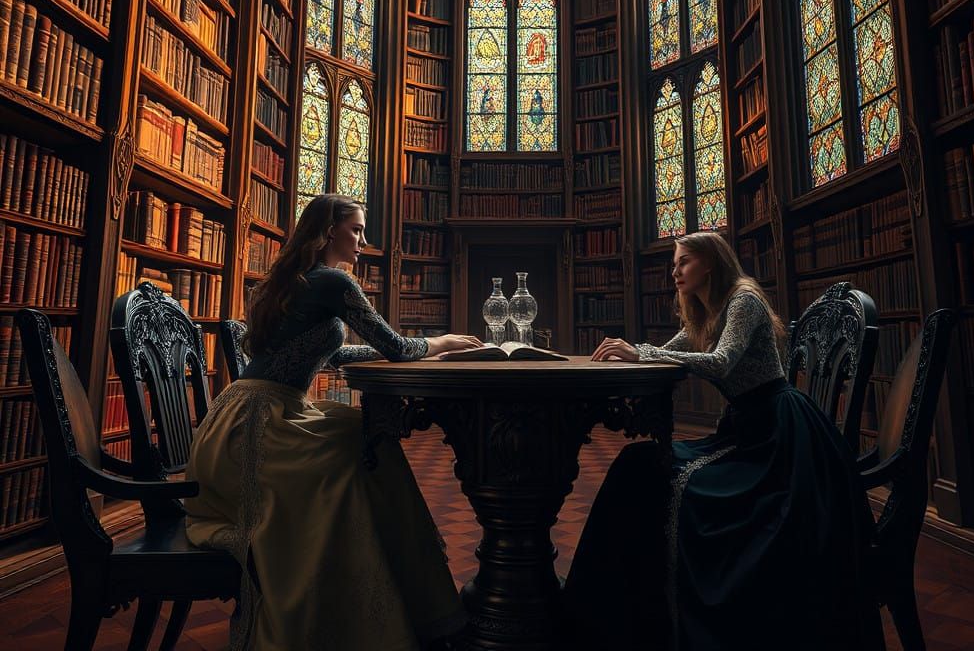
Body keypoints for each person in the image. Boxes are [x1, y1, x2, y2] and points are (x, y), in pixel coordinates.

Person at [185, 193, 482, 651]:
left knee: (358, 439)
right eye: (357, 229)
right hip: (259, 431)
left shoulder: (298, 280)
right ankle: (385, 598)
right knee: (362, 446)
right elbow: (398, 347)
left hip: (239, 417)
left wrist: (421, 347)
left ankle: (384, 586)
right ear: (329, 231)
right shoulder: (332, 282)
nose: (364, 239)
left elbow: (333, 353)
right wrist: (441, 342)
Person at [562, 231, 883, 651]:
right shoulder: (701, 309)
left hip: (776, 435)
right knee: (636, 465)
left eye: (683, 263)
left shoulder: (743, 300)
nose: (674, 271)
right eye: (674, 264)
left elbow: (720, 362)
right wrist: (639, 350)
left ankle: (655, 616)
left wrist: (640, 352)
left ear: (709, 262)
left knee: (660, 479)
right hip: (741, 430)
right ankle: (611, 614)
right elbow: (666, 350)